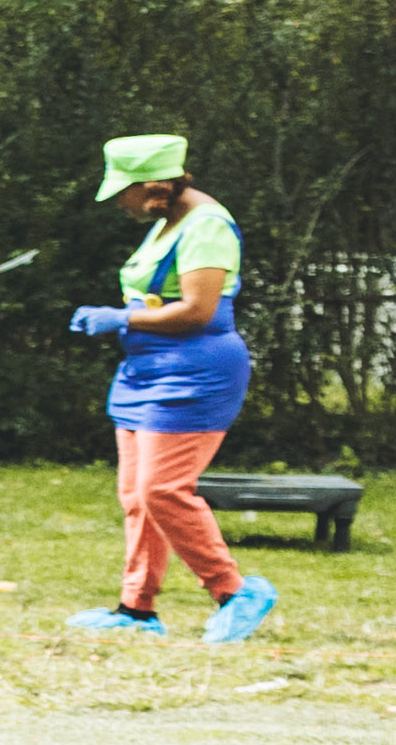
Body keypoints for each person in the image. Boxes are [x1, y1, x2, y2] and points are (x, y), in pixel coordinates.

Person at [64, 134, 274, 644]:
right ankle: (137, 610)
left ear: (154, 187)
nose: (119, 202)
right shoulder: (169, 221)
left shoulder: (207, 226)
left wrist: (119, 318)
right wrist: (126, 320)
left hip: (196, 373)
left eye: (124, 191)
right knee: (137, 496)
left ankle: (235, 593)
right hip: (145, 372)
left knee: (163, 489)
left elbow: (198, 312)